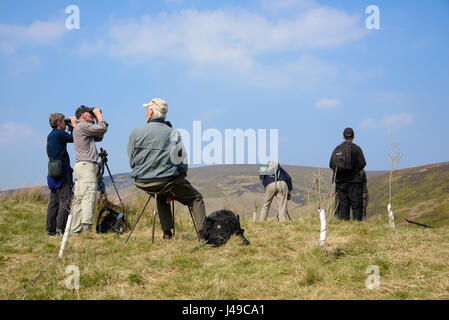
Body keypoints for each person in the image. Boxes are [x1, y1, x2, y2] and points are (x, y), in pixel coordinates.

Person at [127, 97, 206, 240]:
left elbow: (131, 160)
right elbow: (182, 162)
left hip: (143, 182)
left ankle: (167, 233)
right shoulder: (173, 133)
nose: (146, 112)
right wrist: (178, 180)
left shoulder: (135, 132)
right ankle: (203, 235)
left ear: (150, 112)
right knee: (196, 198)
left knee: (161, 196)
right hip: (168, 182)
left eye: (147, 110)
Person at [71, 106, 108, 234]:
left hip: (81, 166)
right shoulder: (82, 126)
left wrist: (96, 120)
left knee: (79, 199)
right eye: (90, 113)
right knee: (89, 197)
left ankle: (75, 230)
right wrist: (99, 117)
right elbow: (102, 128)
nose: (91, 114)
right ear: (82, 115)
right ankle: (86, 229)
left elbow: (99, 135)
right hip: (87, 167)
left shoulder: (79, 128)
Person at [46, 113, 77, 236]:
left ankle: (51, 229)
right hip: (63, 171)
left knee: (53, 201)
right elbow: (74, 138)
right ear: (58, 122)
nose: (65, 123)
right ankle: (61, 228)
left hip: (53, 170)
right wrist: (74, 125)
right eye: (64, 121)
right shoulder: (59, 134)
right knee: (65, 199)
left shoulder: (51, 135)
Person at [329, 127, 366, 221]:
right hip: (354, 181)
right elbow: (362, 164)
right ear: (353, 136)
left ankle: (344, 226)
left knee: (343, 206)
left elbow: (331, 164)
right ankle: (357, 227)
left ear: (343, 136)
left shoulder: (337, 149)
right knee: (356, 206)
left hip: (340, 182)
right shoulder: (357, 148)